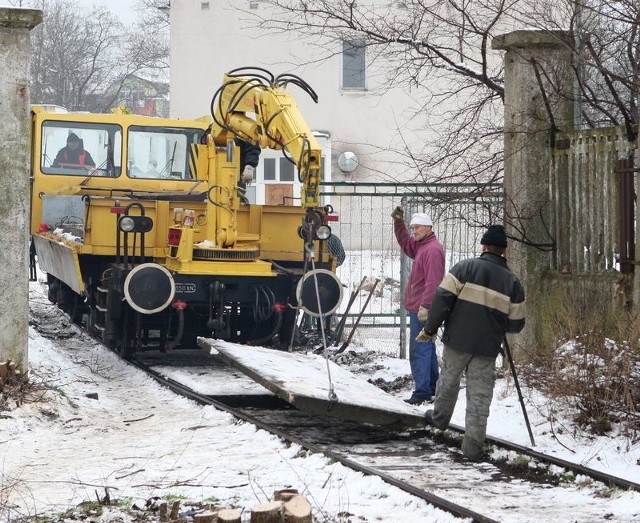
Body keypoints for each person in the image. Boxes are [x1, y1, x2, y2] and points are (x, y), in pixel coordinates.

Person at [422, 224, 525, 461]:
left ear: (484, 246)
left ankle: (439, 420)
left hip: (457, 339)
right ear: (503, 251)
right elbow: (516, 324)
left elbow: (442, 299)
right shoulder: (513, 282)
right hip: (487, 347)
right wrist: (498, 326)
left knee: (448, 381)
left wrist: (431, 327)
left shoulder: (464, 268)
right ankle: (472, 448)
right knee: (479, 396)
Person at [392, 206, 445, 405]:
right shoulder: (423, 246)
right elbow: (406, 243)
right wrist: (398, 223)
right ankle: (432, 386)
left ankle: (422, 391)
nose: (414, 232)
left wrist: (426, 306)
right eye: (413, 228)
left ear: (429, 227)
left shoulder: (431, 250)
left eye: (418, 228)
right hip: (420, 306)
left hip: (423, 309)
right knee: (427, 347)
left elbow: (434, 281)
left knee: (419, 349)